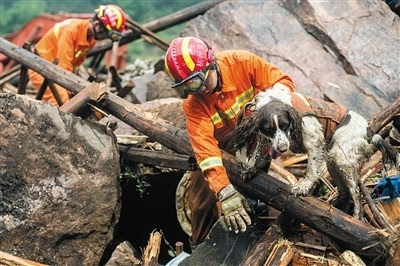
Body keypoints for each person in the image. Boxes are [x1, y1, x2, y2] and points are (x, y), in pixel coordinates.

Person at [164, 36, 295, 250]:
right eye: (188, 86)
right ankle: (199, 248)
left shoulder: (242, 63)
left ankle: (256, 231)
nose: (198, 90)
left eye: (198, 81)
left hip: (256, 142)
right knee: (202, 201)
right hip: (220, 153)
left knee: (256, 191)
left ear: (212, 62)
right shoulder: (194, 105)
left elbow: (283, 83)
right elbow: (206, 151)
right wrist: (224, 190)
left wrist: (269, 115)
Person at [28, 4, 127, 106]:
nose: (106, 38)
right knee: (61, 99)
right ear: (98, 25)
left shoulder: (90, 39)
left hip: (57, 71)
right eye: (109, 34)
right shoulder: (71, 31)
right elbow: (63, 66)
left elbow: (75, 65)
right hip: (42, 69)